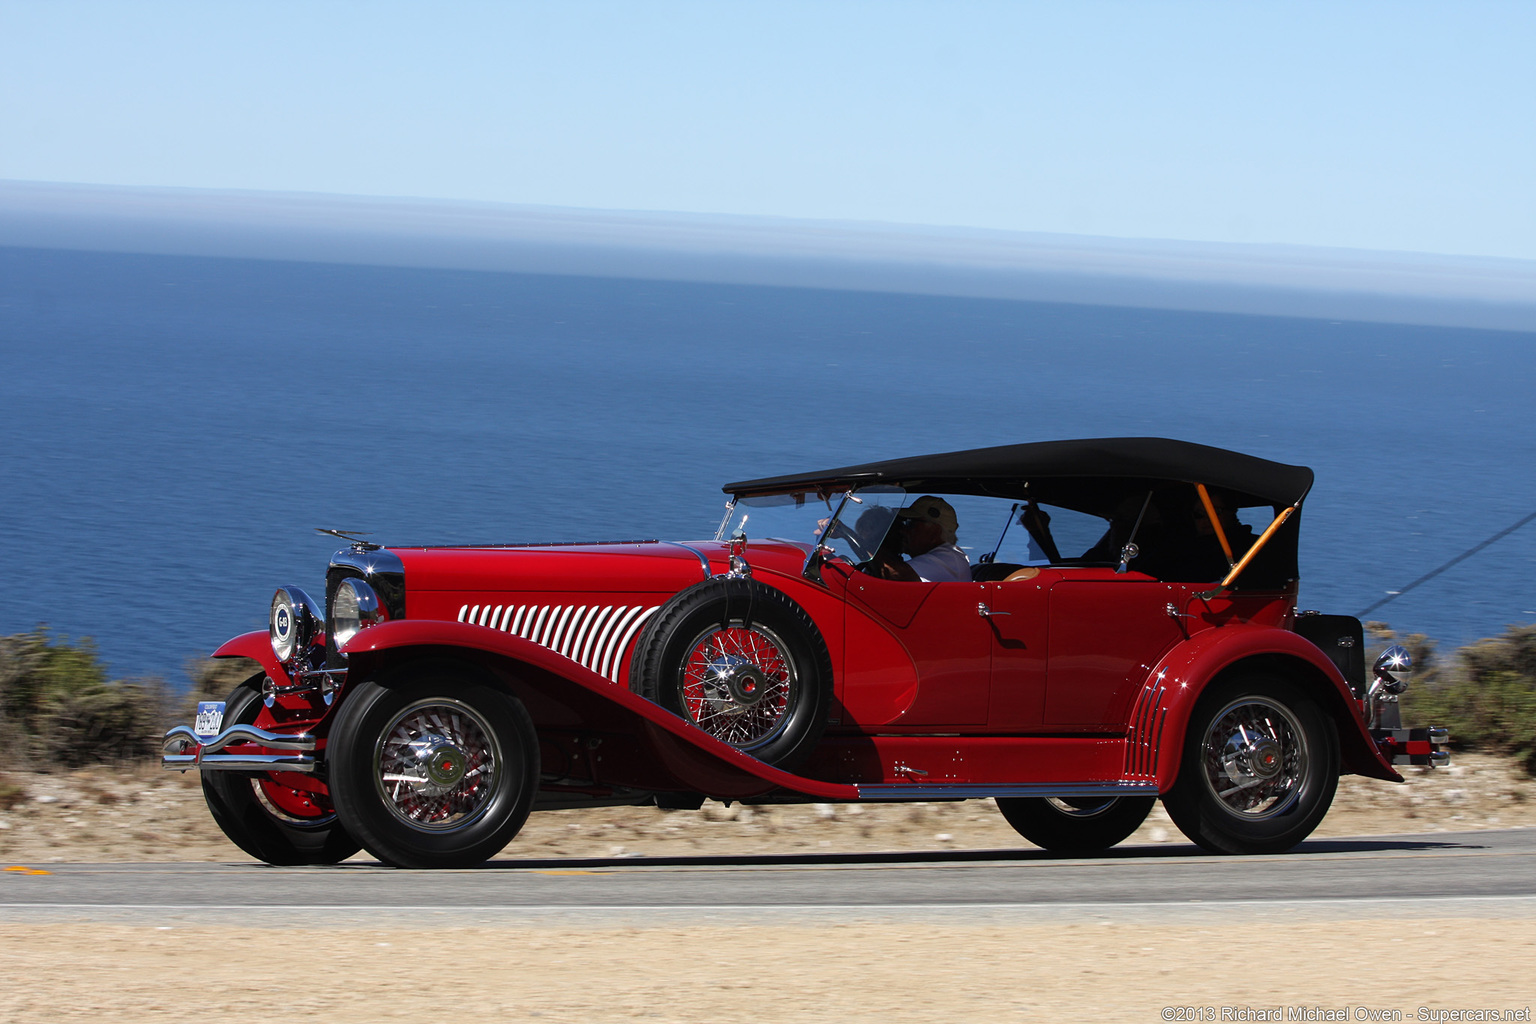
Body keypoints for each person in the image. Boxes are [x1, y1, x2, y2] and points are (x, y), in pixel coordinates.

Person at [864, 495, 970, 582]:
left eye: (910, 523)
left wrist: (868, 544)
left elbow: (895, 574)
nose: (903, 530)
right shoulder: (940, 558)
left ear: (934, 530)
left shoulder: (950, 558)